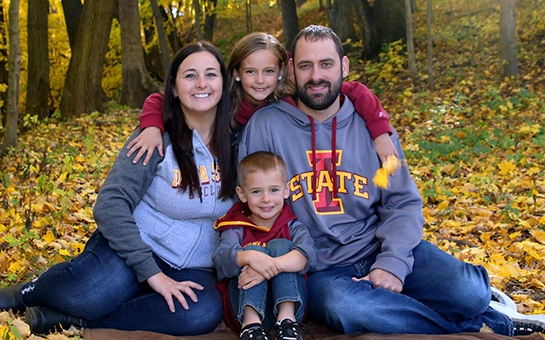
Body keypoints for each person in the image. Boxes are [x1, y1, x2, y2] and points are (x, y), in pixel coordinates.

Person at [237, 25, 545, 336]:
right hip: (319, 269)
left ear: (344, 66)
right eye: (306, 65)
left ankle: (482, 303)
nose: (316, 76)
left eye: (326, 64)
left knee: (470, 292)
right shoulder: (267, 127)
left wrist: (391, 262)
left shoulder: (375, 129)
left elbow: (402, 200)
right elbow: (248, 200)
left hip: (378, 245)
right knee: (348, 307)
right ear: (291, 69)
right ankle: (485, 322)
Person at [0, 41, 237, 336]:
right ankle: (27, 293)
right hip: (134, 246)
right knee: (88, 293)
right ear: (174, 88)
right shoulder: (155, 138)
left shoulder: (240, 141)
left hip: (195, 266)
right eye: (190, 75)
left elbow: (278, 72)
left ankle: (79, 321)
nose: (201, 83)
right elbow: (110, 203)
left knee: (202, 312)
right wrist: (152, 273)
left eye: (211, 74)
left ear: (224, 83)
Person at [126, 32, 398, 167]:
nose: (260, 81)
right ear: (236, 73)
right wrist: (152, 127)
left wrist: (380, 131)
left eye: (268, 72)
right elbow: (158, 99)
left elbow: (355, 90)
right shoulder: (224, 97)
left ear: (282, 71)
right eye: (250, 72)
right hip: (223, 158)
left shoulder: (293, 89)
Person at [212, 151, 316, 340]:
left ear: (286, 190)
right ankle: (251, 326)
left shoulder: (293, 226)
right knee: (254, 250)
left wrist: (264, 268)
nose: (266, 199)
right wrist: (251, 257)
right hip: (241, 310)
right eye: (256, 191)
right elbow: (220, 259)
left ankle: (287, 323)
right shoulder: (236, 227)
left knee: (282, 246)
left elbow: (305, 256)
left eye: (274, 190)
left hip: (293, 310)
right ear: (242, 194)